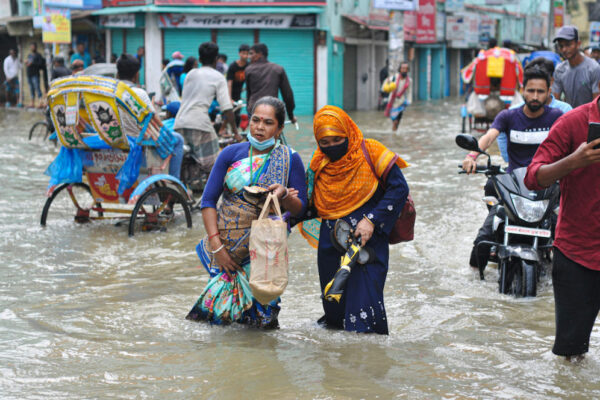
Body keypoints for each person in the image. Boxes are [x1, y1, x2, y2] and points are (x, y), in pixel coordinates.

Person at [186, 96, 307, 328]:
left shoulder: (290, 159)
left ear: (280, 128)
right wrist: (217, 248)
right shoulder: (230, 154)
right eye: (255, 120)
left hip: (266, 256)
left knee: (263, 326)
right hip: (226, 251)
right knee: (221, 328)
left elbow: (301, 209)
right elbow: (208, 201)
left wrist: (284, 196)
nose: (260, 127)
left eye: (268, 122)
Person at [306, 105, 409, 334]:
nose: (332, 146)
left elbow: (399, 189)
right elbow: (310, 204)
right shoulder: (319, 162)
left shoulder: (371, 151)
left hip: (367, 245)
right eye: (325, 142)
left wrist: (371, 220)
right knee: (335, 315)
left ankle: (369, 365)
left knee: (365, 319)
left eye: (337, 139)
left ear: (348, 132)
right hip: (330, 245)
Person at [462, 66, 564, 270]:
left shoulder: (557, 117)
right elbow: (489, 136)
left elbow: (570, 143)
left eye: (540, 92)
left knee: (567, 242)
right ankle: (476, 278)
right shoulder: (508, 116)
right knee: (482, 241)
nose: (535, 96)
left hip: (546, 188)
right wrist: (472, 155)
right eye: (531, 90)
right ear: (522, 90)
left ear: (548, 92)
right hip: (515, 186)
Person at [524, 93, 600, 362]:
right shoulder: (571, 123)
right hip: (576, 254)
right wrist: (574, 161)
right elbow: (533, 177)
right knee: (571, 356)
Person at [174, 42, 239, 174]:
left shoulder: (191, 74)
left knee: (187, 160)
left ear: (200, 59)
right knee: (215, 167)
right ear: (216, 59)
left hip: (179, 123)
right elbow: (227, 108)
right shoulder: (218, 77)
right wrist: (235, 132)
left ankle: (190, 189)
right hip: (199, 124)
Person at [116, 54, 184, 180]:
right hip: (138, 140)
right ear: (137, 75)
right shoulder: (139, 93)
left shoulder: (110, 93)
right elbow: (153, 121)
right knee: (178, 139)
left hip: (116, 139)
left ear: (118, 74)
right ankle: (174, 181)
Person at [497, 57, 573, 162]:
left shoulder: (564, 111)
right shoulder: (512, 112)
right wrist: (510, 161)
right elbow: (499, 135)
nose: (535, 96)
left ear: (550, 82)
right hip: (519, 173)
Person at [245, 43, 296, 124]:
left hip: (254, 110)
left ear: (260, 54)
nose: (248, 56)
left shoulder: (248, 70)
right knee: (273, 134)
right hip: (271, 110)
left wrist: (249, 110)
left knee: (255, 134)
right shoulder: (278, 69)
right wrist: (291, 115)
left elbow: (249, 94)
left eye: (251, 53)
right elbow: (288, 95)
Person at [552, 26, 600, 108]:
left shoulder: (593, 68)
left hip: (589, 118)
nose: (564, 49)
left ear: (578, 44)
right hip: (568, 117)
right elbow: (555, 102)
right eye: (561, 46)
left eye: (568, 45)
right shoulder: (560, 70)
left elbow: (596, 103)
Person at [382, 62, 412, 132]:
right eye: (403, 68)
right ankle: (394, 132)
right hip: (392, 102)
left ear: (408, 70)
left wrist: (409, 101)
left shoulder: (409, 81)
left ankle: (394, 132)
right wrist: (387, 85)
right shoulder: (394, 78)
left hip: (401, 103)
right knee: (394, 121)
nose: (404, 70)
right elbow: (384, 86)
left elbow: (409, 92)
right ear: (400, 69)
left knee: (397, 121)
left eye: (406, 69)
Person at [227, 44, 249, 125]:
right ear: (239, 54)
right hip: (230, 93)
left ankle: (235, 132)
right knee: (229, 114)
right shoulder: (233, 66)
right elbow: (229, 83)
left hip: (238, 93)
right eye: (243, 53)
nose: (245, 56)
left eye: (247, 53)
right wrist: (229, 98)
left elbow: (250, 81)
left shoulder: (248, 66)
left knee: (237, 115)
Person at [26, 43, 45, 108]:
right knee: (31, 89)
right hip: (29, 74)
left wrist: (32, 63)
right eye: (31, 47)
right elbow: (28, 63)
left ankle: (40, 102)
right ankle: (32, 103)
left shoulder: (38, 55)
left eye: (33, 47)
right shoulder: (29, 55)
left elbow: (40, 64)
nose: (32, 48)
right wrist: (27, 62)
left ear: (36, 47)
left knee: (37, 88)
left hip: (35, 74)